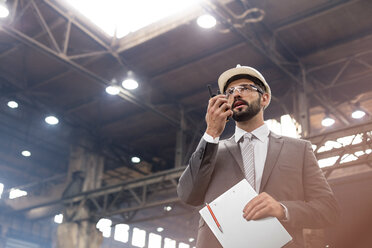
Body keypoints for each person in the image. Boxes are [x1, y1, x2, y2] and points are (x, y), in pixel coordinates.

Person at [177, 65, 340, 247]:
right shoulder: (211, 150)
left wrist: (282, 209)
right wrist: (211, 132)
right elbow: (187, 195)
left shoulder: (299, 149)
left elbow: (328, 210)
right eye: (230, 92)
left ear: (265, 98)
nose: (236, 95)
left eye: (245, 88)